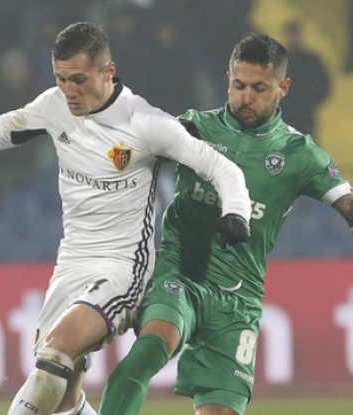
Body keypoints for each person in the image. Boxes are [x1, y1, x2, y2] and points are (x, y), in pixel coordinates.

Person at [0, 22, 252, 415]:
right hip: (70, 263)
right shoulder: (54, 106)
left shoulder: (145, 123)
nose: (68, 90)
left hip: (122, 266)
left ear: (108, 71)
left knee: (55, 353)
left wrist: (237, 211)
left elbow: (221, 167)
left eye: (78, 79)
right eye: (60, 79)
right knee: (63, 394)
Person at [98, 32, 353, 415]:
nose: (246, 97)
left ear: (283, 88)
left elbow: (347, 203)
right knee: (150, 348)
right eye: (239, 85)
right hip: (180, 274)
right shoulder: (195, 128)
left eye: (259, 88)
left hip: (238, 298)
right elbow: (126, 154)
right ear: (228, 79)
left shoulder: (299, 153)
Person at [279, 21, 330, 141]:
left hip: (305, 114)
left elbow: (324, 84)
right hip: (287, 114)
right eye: (291, 34)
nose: (293, 37)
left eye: (295, 34)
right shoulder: (279, 62)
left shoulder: (311, 61)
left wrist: (312, 102)